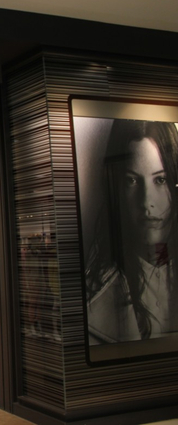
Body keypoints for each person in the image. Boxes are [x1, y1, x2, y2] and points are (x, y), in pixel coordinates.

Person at [86, 119, 178, 344]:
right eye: (133, 181)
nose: (147, 203)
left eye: (161, 179)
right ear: (117, 186)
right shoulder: (97, 290)